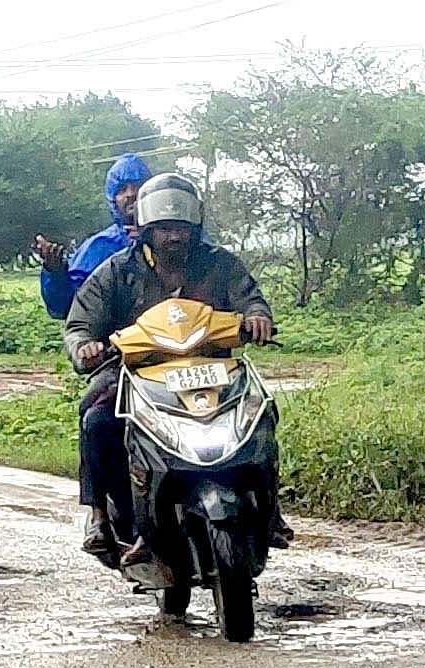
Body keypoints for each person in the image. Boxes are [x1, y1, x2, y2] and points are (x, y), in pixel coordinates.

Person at [62, 174, 277, 567]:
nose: (173, 237)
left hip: (212, 368)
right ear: (145, 230)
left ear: (194, 228)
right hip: (136, 372)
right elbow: (80, 325)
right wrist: (86, 347)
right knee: (97, 420)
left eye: (180, 228)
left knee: (263, 411)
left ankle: (269, 509)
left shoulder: (220, 264)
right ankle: (105, 519)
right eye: (163, 229)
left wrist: (258, 317)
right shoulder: (117, 271)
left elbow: (251, 299)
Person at [34, 153, 148, 321]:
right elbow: (65, 307)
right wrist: (56, 272)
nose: (131, 194)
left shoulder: (179, 237)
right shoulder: (100, 246)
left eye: (138, 186)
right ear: (113, 199)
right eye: (122, 189)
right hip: (114, 341)